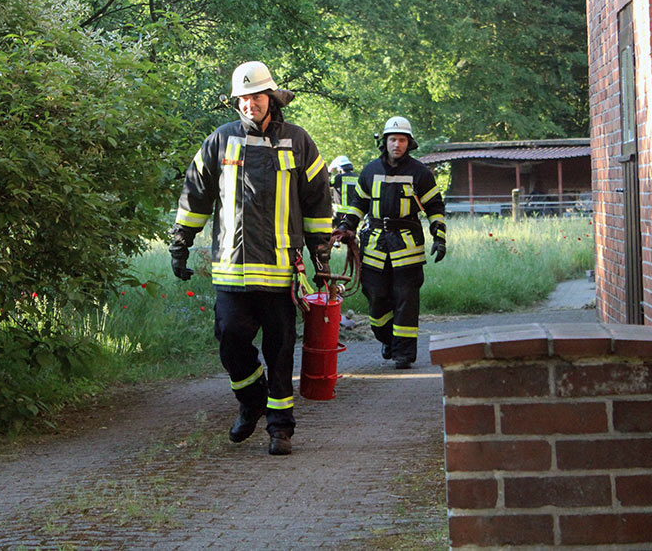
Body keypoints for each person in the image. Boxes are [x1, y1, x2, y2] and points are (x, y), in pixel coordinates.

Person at [169, 60, 333, 456]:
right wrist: (181, 242)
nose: (249, 104)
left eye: (256, 97)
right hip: (231, 271)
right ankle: (251, 401)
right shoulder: (219, 141)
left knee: (280, 351)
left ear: (271, 99)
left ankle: (280, 428)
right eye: (243, 98)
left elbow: (317, 202)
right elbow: (195, 196)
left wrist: (321, 257)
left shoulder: (299, 142)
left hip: (280, 273)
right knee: (230, 340)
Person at [336, 116, 446, 369]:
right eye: (393, 139)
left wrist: (439, 237)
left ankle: (403, 354)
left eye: (402, 140)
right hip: (374, 245)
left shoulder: (420, 173)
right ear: (384, 142)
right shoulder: (370, 170)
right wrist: (345, 227)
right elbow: (358, 205)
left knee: (406, 300)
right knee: (375, 297)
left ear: (409, 143)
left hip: (407, 246)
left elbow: (434, 206)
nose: (397, 144)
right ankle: (388, 339)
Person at [328, 155, 359, 227]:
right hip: (353, 211)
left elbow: (326, 183)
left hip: (340, 211)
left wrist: (329, 171)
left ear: (340, 167)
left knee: (339, 233)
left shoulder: (338, 177)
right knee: (351, 233)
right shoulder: (356, 177)